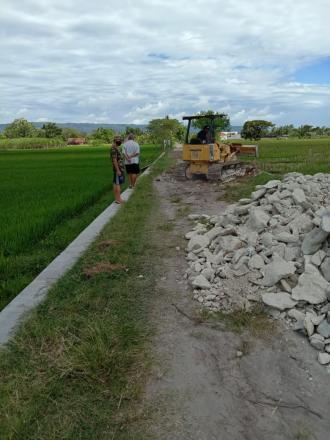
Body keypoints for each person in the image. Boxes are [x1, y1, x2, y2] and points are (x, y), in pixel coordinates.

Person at [110, 135, 125, 204]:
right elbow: (114, 160)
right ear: (115, 141)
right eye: (118, 140)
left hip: (120, 168)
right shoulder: (113, 149)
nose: (119, 141)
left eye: (120, 140)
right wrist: (118, 170)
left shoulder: (116, 148)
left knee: (116, 183)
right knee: (118, 184)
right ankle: (119, 199)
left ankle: (117, 199)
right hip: (118, 169)